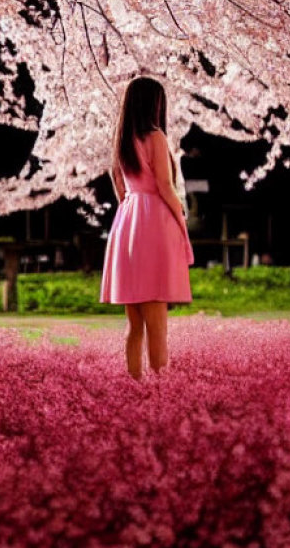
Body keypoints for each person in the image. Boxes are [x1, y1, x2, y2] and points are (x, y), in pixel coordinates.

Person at [100, 77, 193, 379]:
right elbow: (165, 186)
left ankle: (134, 385)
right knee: (158, 325)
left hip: (126, 225)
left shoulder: (121, 141)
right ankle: (159, 389)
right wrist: (181, 215)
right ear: (154, 103)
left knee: (134, 326)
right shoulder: (156, 137)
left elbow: (121, 191)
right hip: (153, 224)